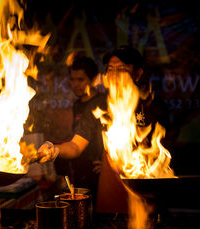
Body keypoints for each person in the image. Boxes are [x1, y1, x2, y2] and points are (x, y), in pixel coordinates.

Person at [38, 46, 166, 202]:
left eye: (122, 69)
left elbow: (163, 152)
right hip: (109, 182)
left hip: (144, 184)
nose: (114, 74)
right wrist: (54, 150)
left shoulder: (151, 105)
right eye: (110, 69)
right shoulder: (96, 106)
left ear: (138, 74)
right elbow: (76, 146)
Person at [66, 56, 102, 193]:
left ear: (93, 79)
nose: (75, 84)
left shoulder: (103, 104)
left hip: (98, 174)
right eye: (72, 80)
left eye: (80, 80)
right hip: (79, 170)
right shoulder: (77, 105)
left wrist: (110, 166)